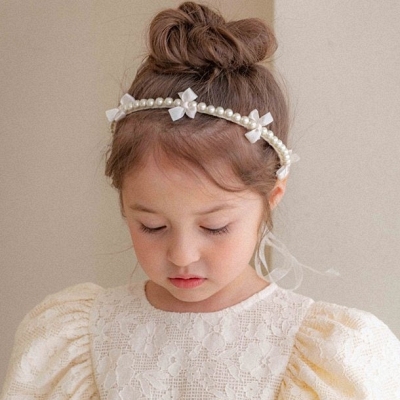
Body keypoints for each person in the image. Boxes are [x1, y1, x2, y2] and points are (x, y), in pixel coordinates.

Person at [2, 2, 400, 399]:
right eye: (152, 226)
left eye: (215, 227)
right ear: (124, 202)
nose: (182, 255)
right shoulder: (76, 339)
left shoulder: (331, 356)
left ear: (272, 196)